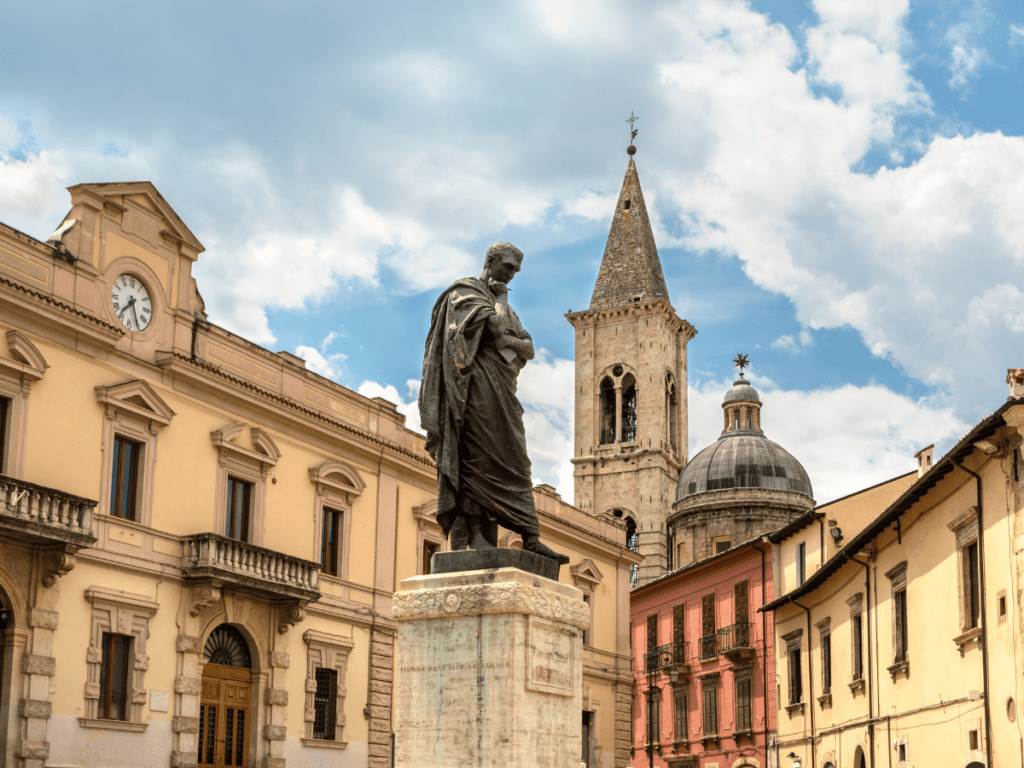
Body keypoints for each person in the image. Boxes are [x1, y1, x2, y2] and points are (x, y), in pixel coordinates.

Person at [419, 241, 569, 564]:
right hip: (475, 394)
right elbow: (497, 327)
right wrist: (500, 306)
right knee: (478, 459)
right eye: (508, 268)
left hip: (503, 393)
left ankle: (531, 537)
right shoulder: (466, 294)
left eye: (516, 271)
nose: (512, 277)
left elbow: (528, 346)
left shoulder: (504, 306)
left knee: (518, 460)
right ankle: (474, 535)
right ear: (490, 261)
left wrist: (508, 339)